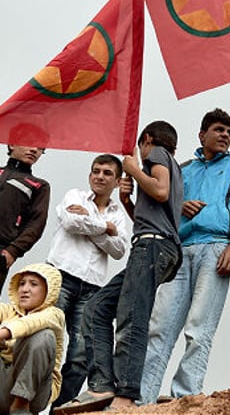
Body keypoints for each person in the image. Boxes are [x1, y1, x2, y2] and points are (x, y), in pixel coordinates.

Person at [58, 121, 183, 413]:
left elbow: (160, 191)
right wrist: (127, 198)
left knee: (132, 317)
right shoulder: (171, 165)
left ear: (147, 140)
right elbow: (151, 213)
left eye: (141, 146)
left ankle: (126, 395)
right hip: (153, 244)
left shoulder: (158, 155)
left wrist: (135, 168)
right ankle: (102, 385)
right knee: (97, 308)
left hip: (152, 246)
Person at [140, 109, 230, 403]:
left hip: (216, 248)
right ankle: (143, 398)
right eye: (218, 130)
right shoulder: (182, 168)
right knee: (159, 327)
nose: (225, 136)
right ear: (202, 135)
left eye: (229, 131)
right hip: (179, 251)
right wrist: (181, 206)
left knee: (199, 327)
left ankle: (186, 396)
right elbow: (163, 203)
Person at [47, 155, 129, 407]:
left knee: (81, 355)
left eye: (107, 173)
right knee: (46, 342)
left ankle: (60, 408)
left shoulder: (119, 214)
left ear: (117, 181)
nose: (100, 176)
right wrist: (106, 228)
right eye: (96, 171)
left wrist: (93, 224)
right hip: (60, 276)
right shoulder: (75, 196)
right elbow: (72, 223)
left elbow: (119, 250)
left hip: (92, 287)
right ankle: (28, 407)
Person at [0, 263, 65, 414]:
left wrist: (3, 334)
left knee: (43, 335)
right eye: (22, 284)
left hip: (34, 396)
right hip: (3, 385)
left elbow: (30, 324)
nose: (25, 289)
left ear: (49, 291)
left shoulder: (54, 314)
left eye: (33, 284)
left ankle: (20, 404)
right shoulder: (7, 311)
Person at [0, 145, 50, 288]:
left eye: (40, 148)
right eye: (29, 143)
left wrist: (12, 251)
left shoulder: (39, 186)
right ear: (12, 144)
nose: (34, 150)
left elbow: (36, 224)